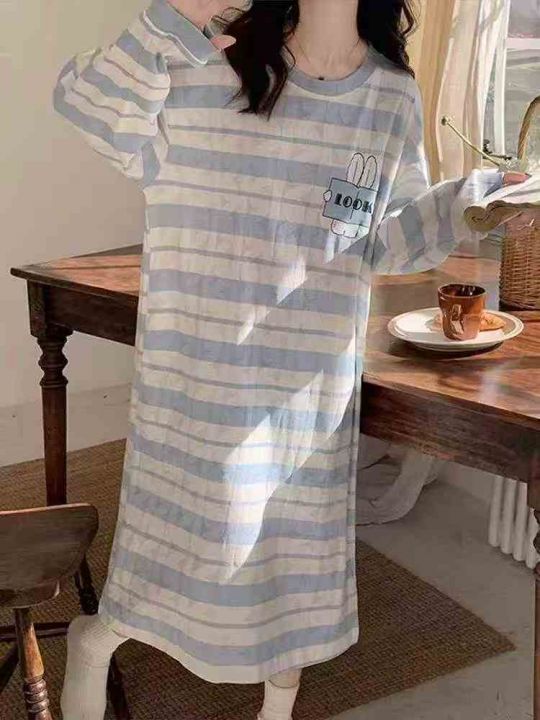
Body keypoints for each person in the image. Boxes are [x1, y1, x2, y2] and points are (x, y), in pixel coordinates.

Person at [54, 1, 520, 718]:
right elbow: (86, 105)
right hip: (195, 376)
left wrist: (476, 198)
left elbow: (389, 240)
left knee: (288, 556)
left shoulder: (390, 93)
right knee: (185, 544)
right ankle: (99, 639)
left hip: (304, 385)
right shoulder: (207, 62)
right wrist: (174, 14)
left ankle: (279, 701)